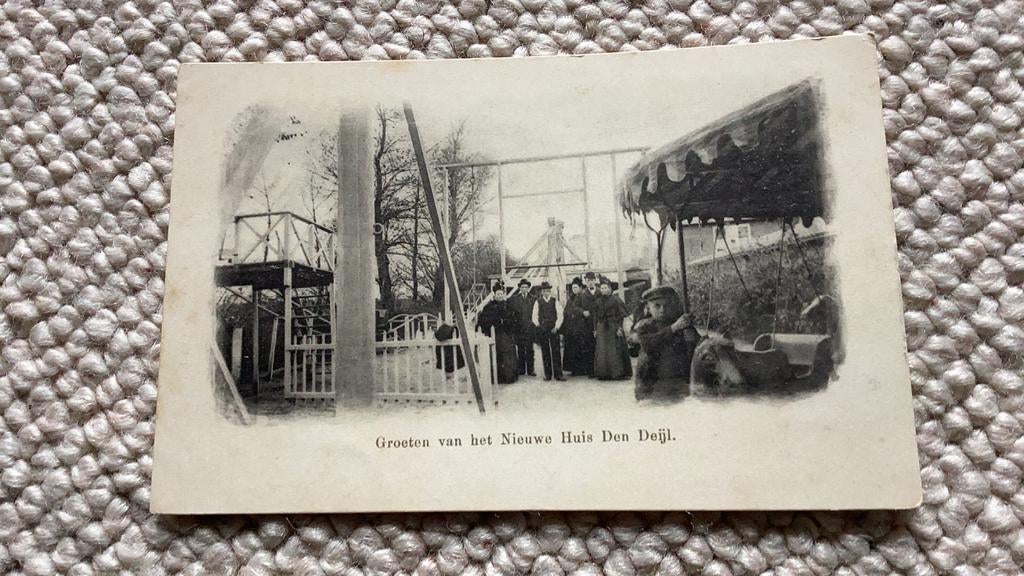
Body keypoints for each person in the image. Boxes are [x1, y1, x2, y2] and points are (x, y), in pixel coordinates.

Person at [633, 286, 701, 401]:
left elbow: (698, 348)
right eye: (657, 306)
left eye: (666, 305)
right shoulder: (644, 326)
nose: (662, 310)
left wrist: (693, 339)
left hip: (679, 382)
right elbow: (649, 344)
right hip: (652, 384)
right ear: (648, 308)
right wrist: (673, 328)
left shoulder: (682, 324)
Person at [476, 282, 520, 384]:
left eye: (501, 294)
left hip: (506, 335)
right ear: (494, 295)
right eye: (498, 294)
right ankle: (496, 377)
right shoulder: (489, 307)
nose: (500, 296)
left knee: (508, 355)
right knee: (495, 355)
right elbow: (483, 321)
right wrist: (494, 323)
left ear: (503, 294)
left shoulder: (508, 305)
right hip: (494, 335)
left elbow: (515, 319)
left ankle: (509, 377)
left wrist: (507, 323)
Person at [592, 280, 633, 380]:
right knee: (602, 351)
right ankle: (604, 374)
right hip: (601, 327)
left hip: (613, 326)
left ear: (610, 289)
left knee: (614, 350)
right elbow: (595, 317)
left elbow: (621, 315)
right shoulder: (597, 301)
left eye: (605, 288)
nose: (604, 290)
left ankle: (617, 373)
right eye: (602, 288)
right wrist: (595, 329)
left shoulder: (616, 300)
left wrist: (619, 328)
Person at [531, 281, 565, 381]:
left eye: (548, 291)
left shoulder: (555, 301)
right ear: (542, 292)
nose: (546, 292)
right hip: (543, 329)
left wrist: (557, 327)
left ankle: (558, 374)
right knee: (545, 351)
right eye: (544, 291)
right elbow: (534, 316)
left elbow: (560, 315)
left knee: (556, 351)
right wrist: (538, 325)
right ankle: (548, 374)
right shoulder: (538, 302)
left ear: (550, 291)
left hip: (553, 328)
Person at [561, 278, 590, 376]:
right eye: (573, 287)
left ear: (580, 287)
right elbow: (567, 310)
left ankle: (583, 369)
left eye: (576, 287)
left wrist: (580, 312)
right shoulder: (571, 298)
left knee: (581, 347)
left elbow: (586, 310)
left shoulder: (584, 297)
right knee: (572, 348)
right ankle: (574, 369)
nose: (574, 289)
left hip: (581, 326)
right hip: (571, 327)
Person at [507, 279, 536, 376]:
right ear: (520, 288)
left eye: (526, 287)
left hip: (530, 328)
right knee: (520, 349)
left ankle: (531, 370)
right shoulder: (514, 299)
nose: (524, 289)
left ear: (528, 288)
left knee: (530, 349)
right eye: (522, 287)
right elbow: (512, 314)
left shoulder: (533, 298)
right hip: (519, 329)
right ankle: (521, 369)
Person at [577, 271, 600, 374]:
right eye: (588, 281)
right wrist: (582, 311)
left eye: (592, 280)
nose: (590, 282)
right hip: (587, 324)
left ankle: (600, 369)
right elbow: (576, 307)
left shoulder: (600, 292)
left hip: (600, 323)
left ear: (595, 281)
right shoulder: (582, 294)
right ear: (585, 282)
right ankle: (590, 370)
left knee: (600, 346)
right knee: (589, 346)